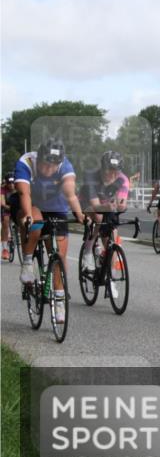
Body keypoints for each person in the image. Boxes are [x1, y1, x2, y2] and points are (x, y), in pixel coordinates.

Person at [14, 139, 86, 324]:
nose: (48, 169)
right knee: (35, 222)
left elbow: (70, 194)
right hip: (31, 202)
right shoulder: (26, 162)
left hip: (55, 206)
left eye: (53, 166)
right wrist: (28, 216)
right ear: (39, 159)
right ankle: (28, 262)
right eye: (45, 164)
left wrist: (80, 215)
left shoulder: (65, 165)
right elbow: (24, 194)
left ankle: (60, 301)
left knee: (59, 257)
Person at [79, 151, 130, 298]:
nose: (113, 174)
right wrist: (111, 207)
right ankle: (88, 251)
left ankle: (111, 279)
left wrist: (120, 205)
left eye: (116, 171)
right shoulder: (91, 177)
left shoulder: (122, 179)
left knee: (112, 238)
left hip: (107, 204)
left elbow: (121, 204)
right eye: (110, 170)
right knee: (98, 218)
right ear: (102, 168)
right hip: (87, 203)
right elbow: (95, 206)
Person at [2, 173, 18, 262]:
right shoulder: (2, 189)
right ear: (6, 183)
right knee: (5, 221)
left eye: (13, 183)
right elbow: (2, 203)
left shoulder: (18, 187)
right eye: (9, 183)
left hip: (16, 209)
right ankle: (4, 249)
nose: (11, 185)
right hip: (6, 208)